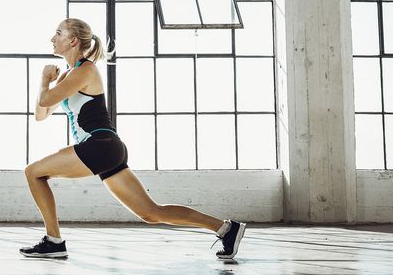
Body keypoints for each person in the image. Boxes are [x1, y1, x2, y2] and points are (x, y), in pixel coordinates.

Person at [19, 18, 245, 260]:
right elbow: (41, 114)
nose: (52, 39)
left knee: (34, 172)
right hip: (107, 148)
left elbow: (44, 101)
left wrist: (44, 81)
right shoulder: (67, 76)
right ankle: (226, 229)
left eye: (58, 33)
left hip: (99, 145)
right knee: (151, 213)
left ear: (73, 40)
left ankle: (54, 241)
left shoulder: (86, 70)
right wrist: (48, 85)